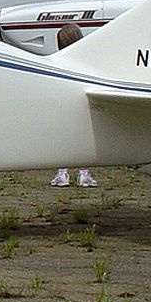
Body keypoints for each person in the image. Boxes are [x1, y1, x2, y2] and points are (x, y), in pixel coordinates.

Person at [48, 23, 97, 188]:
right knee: (84, 138)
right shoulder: (87, 59)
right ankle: (84, 174)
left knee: (63, 139)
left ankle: (62, 173)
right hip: (84, 102)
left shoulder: (58, 59)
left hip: (63, 103)